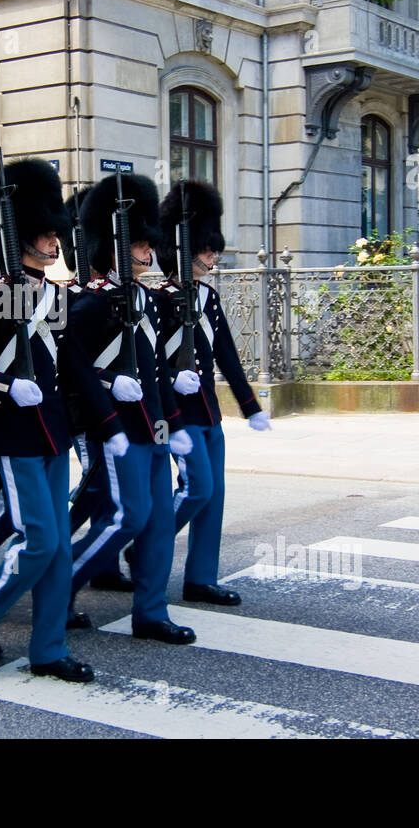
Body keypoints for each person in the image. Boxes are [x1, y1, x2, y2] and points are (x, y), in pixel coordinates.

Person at [0, 158, 119, 683]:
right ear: (21, 237)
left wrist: (110, 425)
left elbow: (73, 366)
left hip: (52, 434)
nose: (55, 243)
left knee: (58, 549)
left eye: (55, 234)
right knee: (41, 540)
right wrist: (2, 385)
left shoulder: (54, 297)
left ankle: (48, 649)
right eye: (45, 235)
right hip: (14, 436)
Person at [66, 172, 198, 644]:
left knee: (160, 521)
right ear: (118, 247)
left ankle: (150, 612)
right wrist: (107, 381)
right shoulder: (91, 301)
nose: (149, 252)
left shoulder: (145, 298)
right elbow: (67, 365)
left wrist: (174, 421)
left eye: (149, 244)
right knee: (129, 516)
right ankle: (63, 586)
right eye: (141, 245)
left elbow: (156, 368)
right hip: (117, 427)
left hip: (154, 427)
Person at [153, 180, 271, 604]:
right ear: (183, 249)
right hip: (176, 415)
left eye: (212, 248)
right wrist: (170, 378)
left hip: (208, 413)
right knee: (196, 488)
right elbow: (147, 363)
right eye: (205, 249)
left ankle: (201, 577)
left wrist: (249, 405)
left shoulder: (208, 297)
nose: (212, 255)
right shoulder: (160, 300)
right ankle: (148, 543)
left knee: (213, 496)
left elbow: (227, 355)